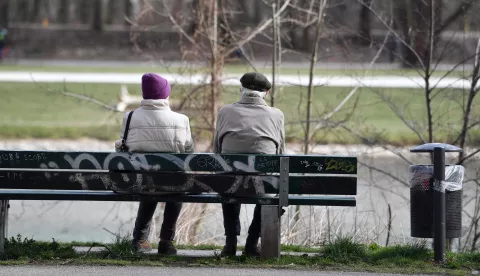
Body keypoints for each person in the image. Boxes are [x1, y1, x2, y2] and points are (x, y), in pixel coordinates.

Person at [115, 73, 195, 255]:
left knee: (148, 182)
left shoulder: (130, 117)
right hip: (172, 184)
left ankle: (140, 239)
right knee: (174, 184)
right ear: (165, 94)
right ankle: (166, 241)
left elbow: (124, 146)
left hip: (136, 183)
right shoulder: (181, 120)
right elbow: (189, 153)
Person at [213, 72, 285, 257]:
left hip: (230, 183)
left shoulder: (225, 112)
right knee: (269, 183)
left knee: (228, 179)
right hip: (263, 185)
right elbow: (280, 155)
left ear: (241, 90)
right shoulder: (277, 115)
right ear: (267, 93)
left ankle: (230, 244)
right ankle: (252, 244)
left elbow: (217, 151)